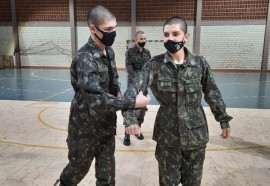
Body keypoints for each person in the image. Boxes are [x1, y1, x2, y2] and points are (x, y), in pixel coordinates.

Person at [123, 16, 233, 186]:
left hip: (195, 136)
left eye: (175, 34)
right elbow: (132, 90)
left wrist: (223, 118)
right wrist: (130, 118)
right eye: (166, 34)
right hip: (168, 138)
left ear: (186, 37)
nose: (170, 38)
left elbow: (212, 92)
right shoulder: (154, 65)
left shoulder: (199, 64)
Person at [54, 6, 150, 186]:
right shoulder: (85, 58)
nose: (113, 33)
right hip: (85, 130)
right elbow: (96, 101)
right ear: (93, 28)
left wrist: (129, 117)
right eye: (108, 30)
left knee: (107, 178)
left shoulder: (109, 52)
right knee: (75, 172)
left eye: (114, 28)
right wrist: (133, 102)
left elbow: (115, 88)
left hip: (106, 127)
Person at [124, 30, 151, 146]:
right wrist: (139, 82)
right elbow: (129, 68)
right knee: (130, 110)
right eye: (141, 39)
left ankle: (138, 131)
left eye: (144, 39)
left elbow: (149, 68)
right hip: (133, 86)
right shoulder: (129, 52)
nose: (143, 41)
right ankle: (127, 134)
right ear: (136, 40)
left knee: (141, 111)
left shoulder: (148, 53)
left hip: (144, 87)